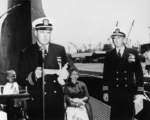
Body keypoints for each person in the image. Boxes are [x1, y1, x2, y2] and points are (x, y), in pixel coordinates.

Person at [17, 17, 72, 120]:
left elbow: (70, 69)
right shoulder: (26, 53)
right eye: (42, 32)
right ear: (35, 32)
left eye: (48, 32)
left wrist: (66, 76)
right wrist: (33, 76)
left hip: (56, 104)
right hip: (36, 105)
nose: (45, 36)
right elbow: (20, 79)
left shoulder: (59, 50)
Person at [102, 28, 144, 120]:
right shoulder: (109, 55)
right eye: (114, 38)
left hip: (128, 92)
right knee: (115, 117)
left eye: (119, 38)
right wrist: (105, 91)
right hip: (114, 92)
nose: (116, 40)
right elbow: (106, 75)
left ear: (124, 39)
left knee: (127, 116)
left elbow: (139, 74)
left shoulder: (132, 53)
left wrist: (140, 92)